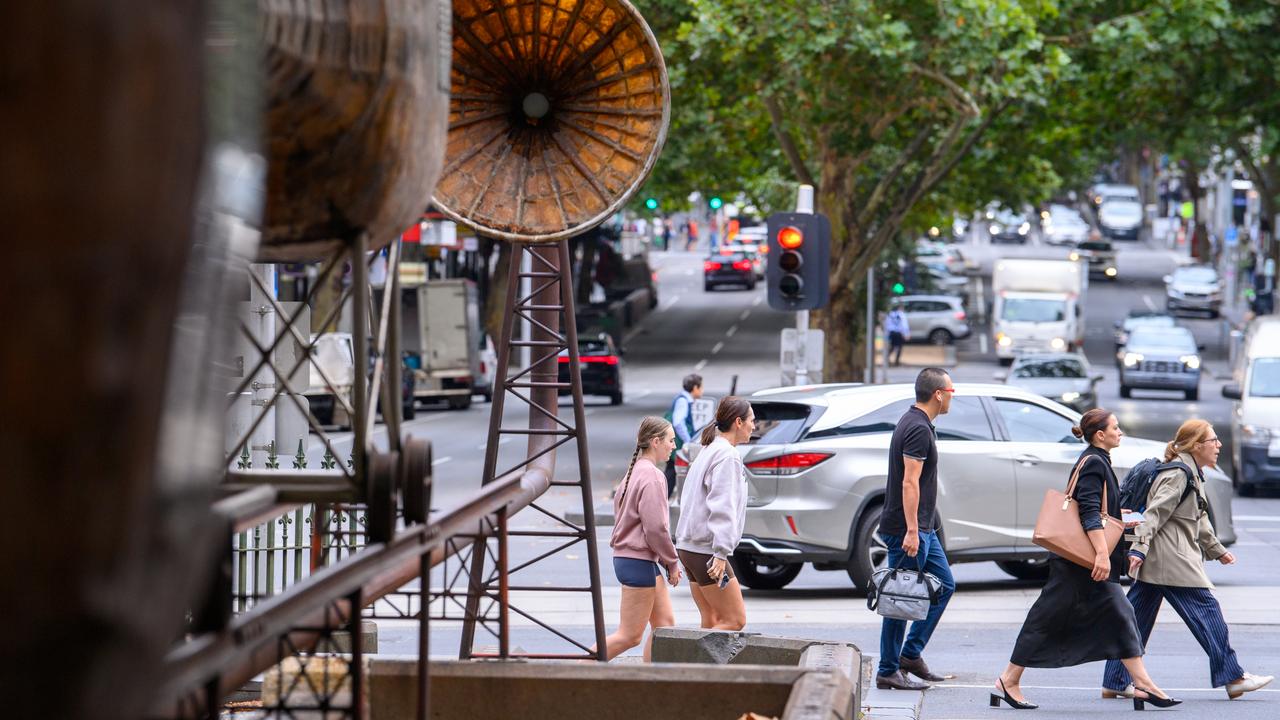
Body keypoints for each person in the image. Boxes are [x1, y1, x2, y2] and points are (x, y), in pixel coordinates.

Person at [992, 408, 1179, 710]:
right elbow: (1089, 512)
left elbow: (1097, 509)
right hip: (1082, 562)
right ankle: (1008, 680)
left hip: (1082, 561)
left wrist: (1122, 517)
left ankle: (1143, 683)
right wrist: (1102, 556)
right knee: (1050, 617)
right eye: (1116, 428)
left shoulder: (1097, 459)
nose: (1121, 432)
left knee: (1116, 614)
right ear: (1100, 435)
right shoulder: (1093, 462)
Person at [1102, 420, 1273, 700]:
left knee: (1134, 621)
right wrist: (1138, 549)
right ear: (1196, 445)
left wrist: (1217, 550)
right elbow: (1154, 514)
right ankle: (1234, 677)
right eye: (1213, 440)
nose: (1219, 445)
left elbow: (1199, 518)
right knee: (1207, 612)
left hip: (1162, 561)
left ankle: (1116, 680)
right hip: (1171, 560)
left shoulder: (1192, 473)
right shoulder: (1179, 474)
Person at [876, 368, 956, 691]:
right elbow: (909, 482)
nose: (953, 396)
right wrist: (912, 530)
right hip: (908, 529)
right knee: (900, 597)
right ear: (938, 394)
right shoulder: (917, 429)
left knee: (945, 585)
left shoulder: (919, 423)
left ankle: (910, 654)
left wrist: (926, 525)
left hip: (924, 528)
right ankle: (887, 669)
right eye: (951, 390)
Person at [603, 417, 682, 661]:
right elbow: (656, 528)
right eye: (670, 440)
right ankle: (576, 671)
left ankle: (649, 681)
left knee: (665, 627)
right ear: (656, 442)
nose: (674, 446)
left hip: (632, 559)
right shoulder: (653, 477)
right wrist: (672, 561)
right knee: (629, 636)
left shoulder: (632, 473)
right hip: (638, 560)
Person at [674, 396, 754, 631]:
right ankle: (682, 666)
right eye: (752, 420)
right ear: (738, 422)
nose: (754, 426)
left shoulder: (709, 449)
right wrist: (720, 553)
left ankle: (695, 668)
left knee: (711, 621)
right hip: (706, 552)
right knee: (734, 621)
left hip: (689, 548)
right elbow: (723, 505)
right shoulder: (727, 455)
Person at [663, 373, 703, 498]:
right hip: (678, 442)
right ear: (695, 388)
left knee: (672, 471)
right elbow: (678, 422)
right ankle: (662, 498)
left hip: (675, 441)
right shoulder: (683, 401)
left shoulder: (682, 399)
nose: (702, 390)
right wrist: (688, 440)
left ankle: (662, 497)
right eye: (701, 387)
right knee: (672, 471)